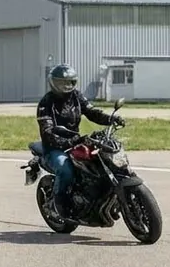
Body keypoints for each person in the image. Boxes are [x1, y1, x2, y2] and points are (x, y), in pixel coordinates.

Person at [35, 64, 125, 219]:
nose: (65, 86)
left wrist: (111, 119)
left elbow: (92, 112)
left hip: (75, 141)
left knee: (101, 162)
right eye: (61, 83)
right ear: (53, 83)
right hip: (54, 148)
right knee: (66, 170)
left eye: (69, 82)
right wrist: (68, 141)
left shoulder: (76, 96)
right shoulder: (46, 103)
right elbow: (47, 131)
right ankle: (60, 204)